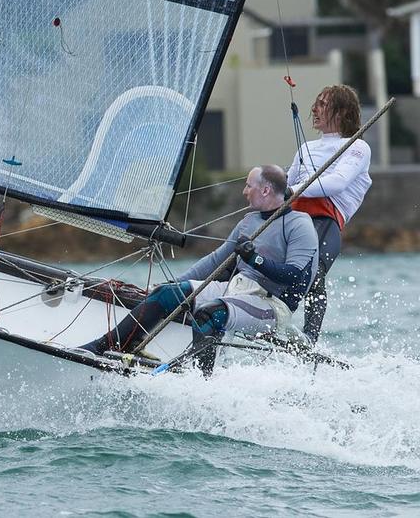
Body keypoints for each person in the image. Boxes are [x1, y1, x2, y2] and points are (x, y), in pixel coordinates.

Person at [78, 165, 318, 375]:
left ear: (265, 190)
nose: (244, 191)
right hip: (236, 289)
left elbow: (294, 275)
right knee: (167, 294)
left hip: (271, 305)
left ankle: (201, 381)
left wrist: (255, 260)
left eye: (248, 186)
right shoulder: (248, 221)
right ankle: (106, 346)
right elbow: (215, 262)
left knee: (210, 313)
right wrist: (173, 283)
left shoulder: (300, 224)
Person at [287, 85, 371, 344]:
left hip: (325, 220)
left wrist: (289, 189)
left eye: (322, 104)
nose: (313, 109)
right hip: (291, 221)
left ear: (342, 111)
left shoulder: (356, 147)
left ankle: (309, 340)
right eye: (316, 103)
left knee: (314, 274)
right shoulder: (305, 148)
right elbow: (284, 190)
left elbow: (337, 183)